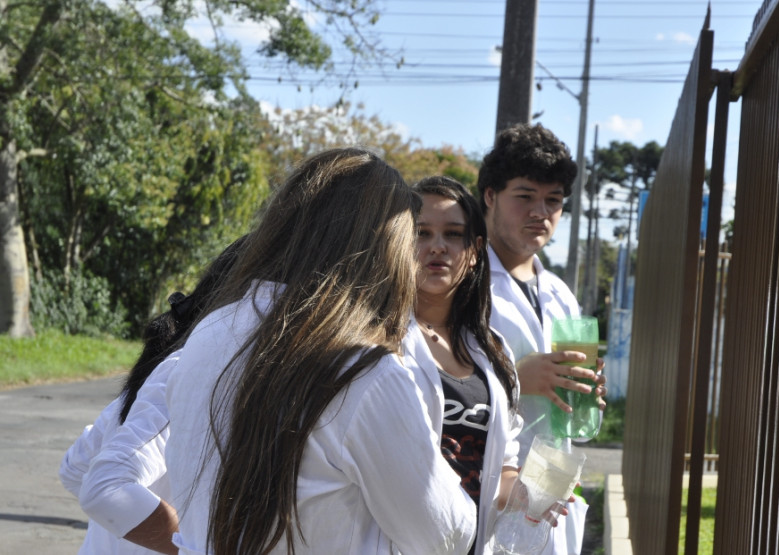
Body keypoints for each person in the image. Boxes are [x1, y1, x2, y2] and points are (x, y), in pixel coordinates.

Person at [165, 148, 476, 554]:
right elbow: (443, 533)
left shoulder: (214, 328)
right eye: (412, 238)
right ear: (384, 251)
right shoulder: (363, 370)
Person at [59, 236, 247, 555]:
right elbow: (104, 485)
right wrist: (182, 544)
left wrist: (119, 531)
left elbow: (75, 467)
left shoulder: (156, 374)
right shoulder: (190, 374)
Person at [477, 123, 606, 554]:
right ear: (490, 196)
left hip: (552, 490)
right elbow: (433, 380)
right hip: (488, 490)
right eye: (525, 196)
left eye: (553, 200)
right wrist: (516, 377)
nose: (540, 212)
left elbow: (574, 428)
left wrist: (584, 397)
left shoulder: (559, 294)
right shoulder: (465, 285)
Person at [401, 176, 523, 554]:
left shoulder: (493, 350)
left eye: (453, 234)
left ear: (474, 252)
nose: (437, 246)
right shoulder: (377, 340)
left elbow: (502, 469)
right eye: (421, 233)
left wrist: (527, 494)